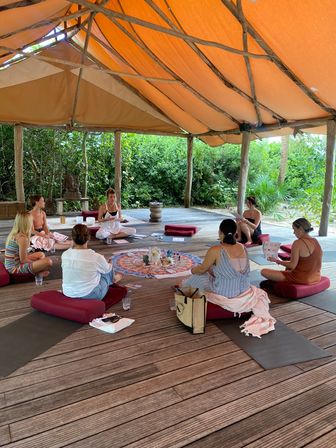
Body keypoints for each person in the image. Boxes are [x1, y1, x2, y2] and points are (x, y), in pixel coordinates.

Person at [181, 219, 275, 337]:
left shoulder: (216, 250)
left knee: (198, 277)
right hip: (244, 289)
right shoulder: (242, 247)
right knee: (210, 272)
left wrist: (192, 269)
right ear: (236, 232)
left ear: (220, 232)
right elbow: (229, 270)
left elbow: (201, 269)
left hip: (225, 292)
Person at [61, 224, 121, 299]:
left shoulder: (65, 254)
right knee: (106, 273)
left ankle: (111, 276)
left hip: (67, 292)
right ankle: (114, 279)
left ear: (72, 238)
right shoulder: (96, 257)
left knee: (96, 268)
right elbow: (108, 270)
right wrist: (109, 264)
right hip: (90, 295)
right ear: (88, 238)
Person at [261, 218, 322, 284]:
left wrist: (276, 261)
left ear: (300, 229)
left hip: (302, 278)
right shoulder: (315, 241)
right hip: (316, 277)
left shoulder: (298, 243)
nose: (293, 232)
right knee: (287, 269)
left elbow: (292, 265)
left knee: (264, 271)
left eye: (294, 229)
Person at [4, 211, 52, 276]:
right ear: (27, 223)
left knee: (41, 254)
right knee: (48, 261)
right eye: (31, 221)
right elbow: (23, 260)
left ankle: (39, 270)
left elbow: (23, 255)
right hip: (14, 268)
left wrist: (38, 263)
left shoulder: (16, 233)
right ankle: (38, 273)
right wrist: (37, 263)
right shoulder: (22, 238)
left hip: (13, 263)